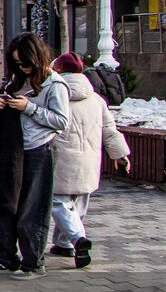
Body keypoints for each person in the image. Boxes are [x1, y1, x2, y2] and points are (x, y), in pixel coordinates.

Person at [0, 32, 70, 279]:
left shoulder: (55, 84)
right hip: (11, 151)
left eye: (26, 63)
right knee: (3, 205)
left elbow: (61, 121)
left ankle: (33, 262)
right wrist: (2, 104)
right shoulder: (17, 81)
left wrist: (29, 108)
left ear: (38, 59)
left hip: (38, 151)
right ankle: (3, 257)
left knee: (33, 208)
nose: (22, 68)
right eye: (17, 64)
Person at [48, 51, 130, 269]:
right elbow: (109, 129)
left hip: (61, 158)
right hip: (90, 160)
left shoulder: (54, 95)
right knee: (78, 204)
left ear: (58, 70)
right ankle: (63, 243)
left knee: (59, 202)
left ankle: (77, 239)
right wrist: (120, 155)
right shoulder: (96, 99)